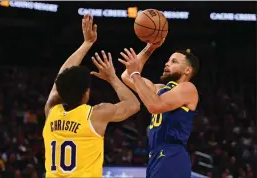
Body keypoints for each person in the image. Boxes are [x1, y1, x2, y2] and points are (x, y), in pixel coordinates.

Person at [43, 14, 140, 178]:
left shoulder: (51, 112)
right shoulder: (95, 115)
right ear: (87, 92)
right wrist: (112, 77)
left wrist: (86, 44)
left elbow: (61, 78)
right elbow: (134, 105)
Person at [120, 41, 199, 178]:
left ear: (188, 70)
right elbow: (126, 76)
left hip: (173, 155)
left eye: (174, 61)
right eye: (168, 60)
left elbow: (154, 106)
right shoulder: (159, 89)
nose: (167, 64)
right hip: (155, 155)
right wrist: (150, 48)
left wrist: (135, 74)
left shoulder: (188, 88)